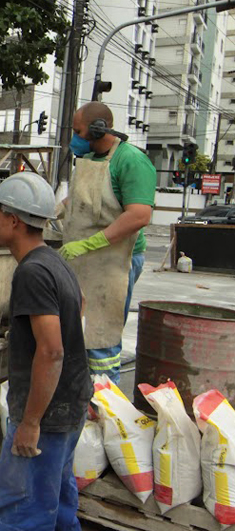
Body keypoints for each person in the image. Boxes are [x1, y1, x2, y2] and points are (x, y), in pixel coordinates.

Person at [0, 172, 92, 531]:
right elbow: (79, 308)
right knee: (58, 501)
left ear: (14, 220)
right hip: (70, 404)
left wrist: (31, 421)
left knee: (21, 514)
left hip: (46, 415)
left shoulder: (31, 272)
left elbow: (52, 350)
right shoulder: (55, 260)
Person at [59, 101, 156, 383]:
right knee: (81, 331)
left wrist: (89, 244)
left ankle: (104, 401)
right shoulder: (91, 159)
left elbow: (139, 215)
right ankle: (81, 398)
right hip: (85, 260)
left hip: (115, 261)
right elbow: (79, 200)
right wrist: (51, 213)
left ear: (99, 130)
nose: (74, 138)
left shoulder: (131, 161)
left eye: (78, 131)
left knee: (102, 332)